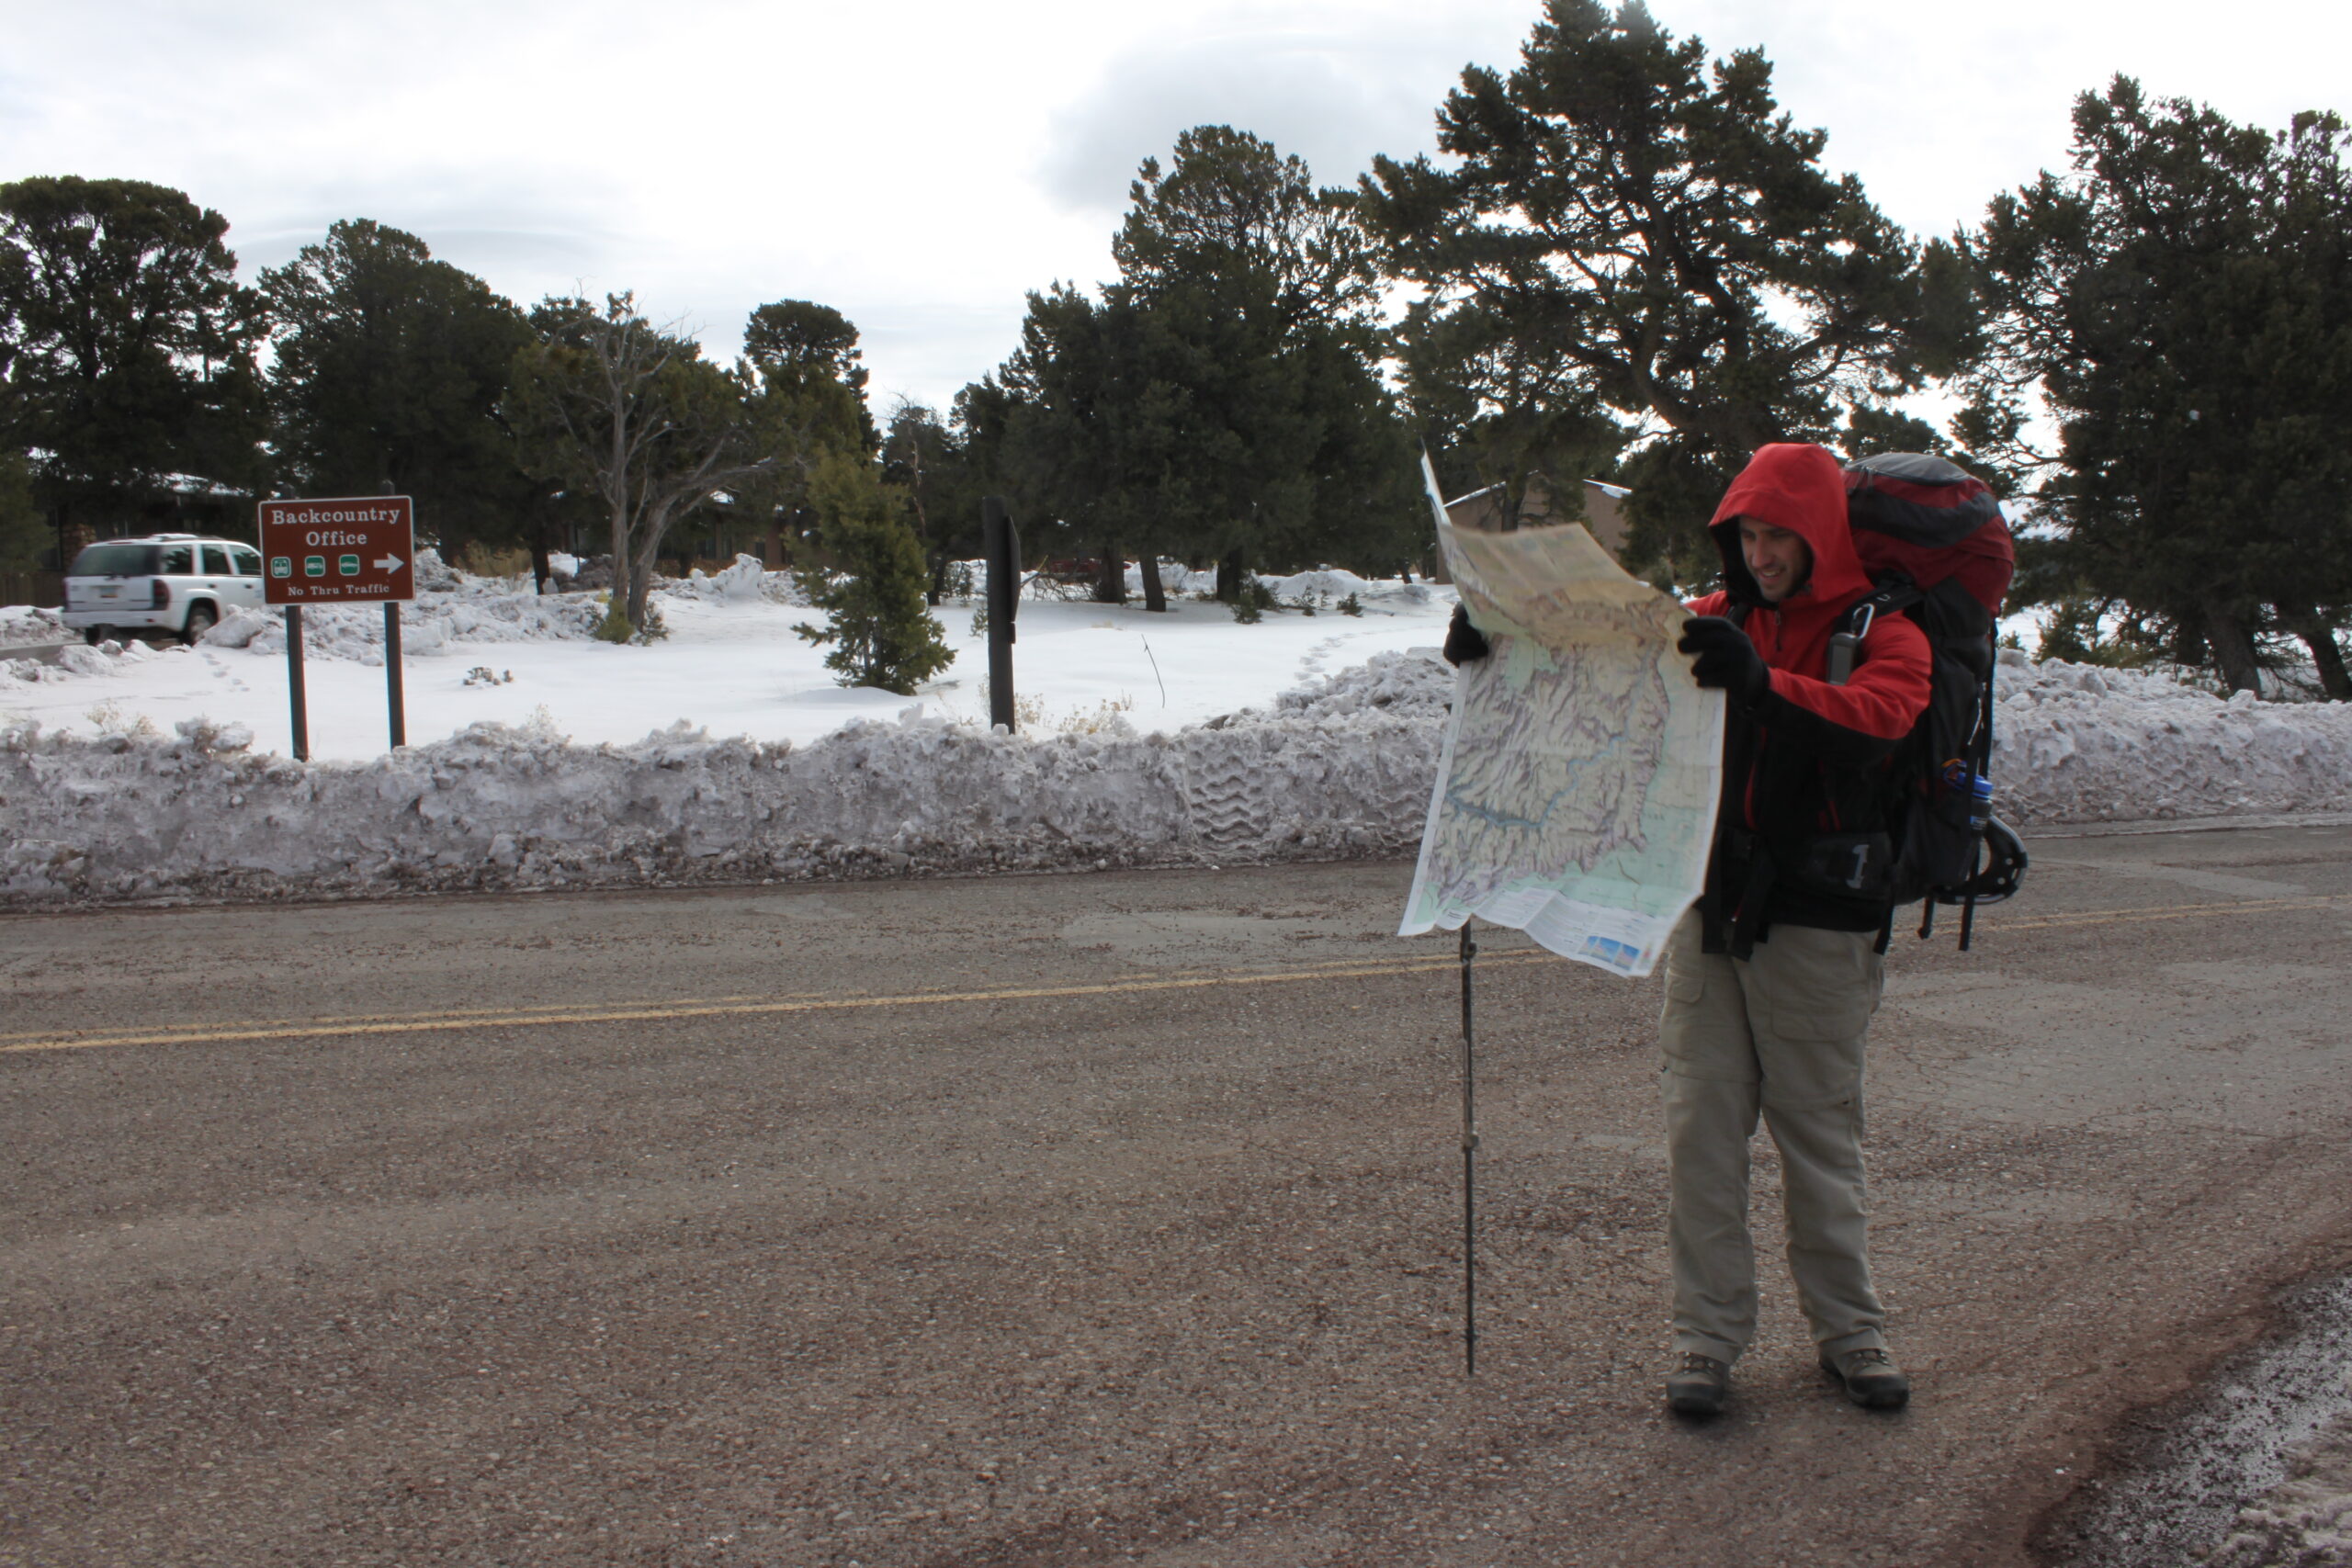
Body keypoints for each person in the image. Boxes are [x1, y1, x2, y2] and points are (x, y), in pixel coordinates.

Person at [1443, 443, 1930, 1417]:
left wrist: (1765, 688)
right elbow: (1607, 650)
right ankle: (1705, 1345)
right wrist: (1496, 640)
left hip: (1818, 925)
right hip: (1712, 913)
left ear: (1818, 534)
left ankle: (1852, 1337)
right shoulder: (1715, 620)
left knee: (1817, 1141)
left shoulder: (1884, 629)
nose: (1759, 555)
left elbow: (1884, 719)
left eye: (1776, 536)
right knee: (1700, 1139)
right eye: (1745, 536)